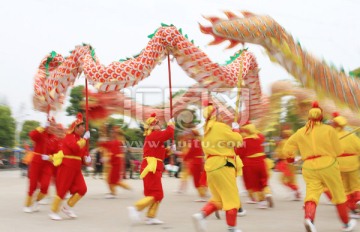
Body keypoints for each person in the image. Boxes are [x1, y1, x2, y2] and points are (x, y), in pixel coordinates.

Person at [283, 102, 356, 232]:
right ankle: (346, 223)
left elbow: (287, 147)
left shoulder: (301, 132)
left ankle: (309, 218)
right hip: (328, 165)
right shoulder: (329, 130)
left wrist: (290, 158)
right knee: (339, 194)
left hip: (309, 167)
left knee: (312, 194)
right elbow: (338, 151)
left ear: (309, 117)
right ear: (321, 117)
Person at [192, 102, 244, 232]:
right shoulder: (220, 127)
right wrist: (236, 130)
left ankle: (201, 215)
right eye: (219, 113)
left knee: (218, 199)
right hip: (223, 165)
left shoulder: (206, 130)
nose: (222, 116)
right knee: (231, 198)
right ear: (215, 115)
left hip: (211, 167)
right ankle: (232, 228)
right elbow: (238, 141)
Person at [127, 113, 175, 225]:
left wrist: (170, 150)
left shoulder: (154, 137)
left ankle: (150, 216)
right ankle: (136, 208)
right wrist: (171, 124)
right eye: (157, 123)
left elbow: (160, 155)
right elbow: (169, 133)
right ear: (152, 126)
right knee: (158, 194)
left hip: (152, 167)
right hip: (151, 168)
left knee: (152, 194)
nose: (160, 124)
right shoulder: (155, 134)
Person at [48, 113, 91, 220]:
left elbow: (83, 154)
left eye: (83, 126)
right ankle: (54, 211)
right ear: (75, 128)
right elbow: (75, 148)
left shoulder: (81, 140)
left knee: (82, 189)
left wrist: (87, 159)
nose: (83, 128)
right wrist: (85, 139)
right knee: (62, 189)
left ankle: (67, 207)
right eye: (81, 126)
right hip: (67, 166)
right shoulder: (69, 137)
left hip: (76, 168)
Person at [235, 121, 274, 209]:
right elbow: (260, 135)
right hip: (261, 161)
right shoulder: (259, 138)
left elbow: (239, 153)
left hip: (250, 163)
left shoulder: (243, 141)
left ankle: (262, 202)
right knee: (264, 180)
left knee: (255, 184)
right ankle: (268, 193)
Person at [23, 118, 58, 213]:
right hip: (36, 162)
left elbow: (58, 154)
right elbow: (32, 135)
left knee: (45, 187)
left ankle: (36, 201)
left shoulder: (55, 138)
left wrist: (50, 157)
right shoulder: (41, 133)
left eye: (54, 125)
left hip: (47, 164)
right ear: (48, 125)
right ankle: (27, 204)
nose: (53, 127)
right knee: (33, 185)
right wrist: (42, 127)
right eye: (51, 125)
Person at [331, 112, 360, 218]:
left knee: (345, 188)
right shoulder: (351, 136)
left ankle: (352, 207)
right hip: (353, 164)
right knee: (355, 185)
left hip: (339, 165)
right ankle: (358, 201)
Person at [98, 125, 131, 198]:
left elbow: (114, 153)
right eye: (112, 132)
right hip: (113, 163)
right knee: (111, 179)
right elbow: (104, 145)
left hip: (115, 163)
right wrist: (102, 134)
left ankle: (114, 193)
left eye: (114, 132)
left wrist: (107, 158)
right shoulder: (113, 141)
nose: (112, 134)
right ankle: (117, 190)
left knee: (112, 179)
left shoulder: (118, 142)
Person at [274, 129, 301, 201]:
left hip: (286, 162)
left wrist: (277, 155)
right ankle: (295, 192)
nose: (283, 134)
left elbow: (280, 152)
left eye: (284, 133)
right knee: (291, 179)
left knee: (283, 180)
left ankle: (295, 191)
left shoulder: (283, 142)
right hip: (292, 162)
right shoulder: (294, 142)